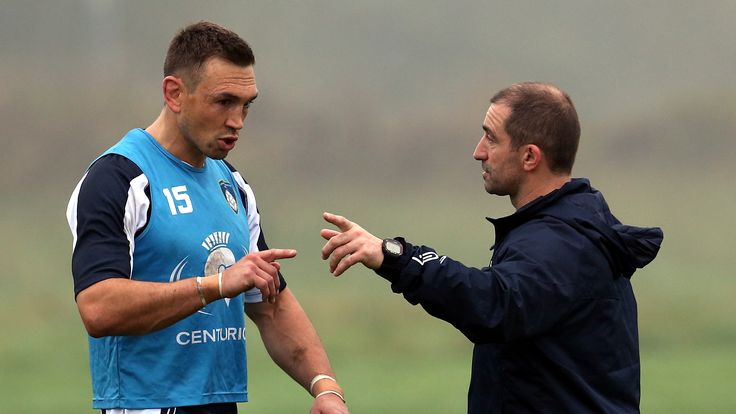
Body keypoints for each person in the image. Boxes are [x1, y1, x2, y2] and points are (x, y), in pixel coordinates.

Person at [320, 82, 663, 413]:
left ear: (530, 156)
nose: (478, 152)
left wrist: (395, 257)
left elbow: (494, 304)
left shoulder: (559, 243)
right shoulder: (570, 228)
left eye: (491, 138)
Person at [66, 21, 348, 414]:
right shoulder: (119, 178)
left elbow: (271, 304)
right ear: (174, 93)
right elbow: (97, 307)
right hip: (146, 405)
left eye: (246, 104)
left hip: (219, 403)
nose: (238, 120)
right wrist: (214, 284)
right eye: (224, 101)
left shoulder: (232, 184)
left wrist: (325, 387)